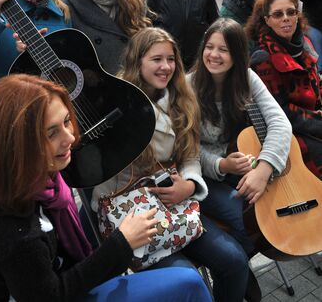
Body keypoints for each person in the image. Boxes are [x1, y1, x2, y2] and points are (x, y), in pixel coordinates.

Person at [0, 73, 211, 302]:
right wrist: (122, 243)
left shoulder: (28, 181)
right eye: (51, 133)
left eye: (67, 121)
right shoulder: (16, 233)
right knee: (188, 283)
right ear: (17, 145)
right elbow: (54, 294)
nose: (70, 138)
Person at [92, 27, 250, 302]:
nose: (165, 67)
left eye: (171, 59)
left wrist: (189, 185)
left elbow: (189, 155)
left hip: (177, 204)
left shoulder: (181, 98)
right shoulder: (114, 103)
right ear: (137, 60)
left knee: (234, 260)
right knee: (188, 281)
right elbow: (100, 169)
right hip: (135, 212)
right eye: (156, 59)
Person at [190, 18, 291, 259]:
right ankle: (238, 270)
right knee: (250, 220)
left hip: (246, 169)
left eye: (223, 49)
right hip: (206, 176)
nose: (214, 55)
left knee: (271, 213)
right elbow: (186, 149)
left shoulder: (247, 78)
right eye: (209, 47)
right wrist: (221, 164)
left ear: (237, 54)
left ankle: (239, 265)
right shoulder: (188, 86)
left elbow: (280, 123)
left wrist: (264, 168)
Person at [245, 0, 322, 179]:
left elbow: (316, 85)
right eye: (278, 14)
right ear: (266, 20)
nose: (286, 18)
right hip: (291, 132)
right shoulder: (262, 57)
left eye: (291, 12)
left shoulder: (304, 43)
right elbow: (281, 112)